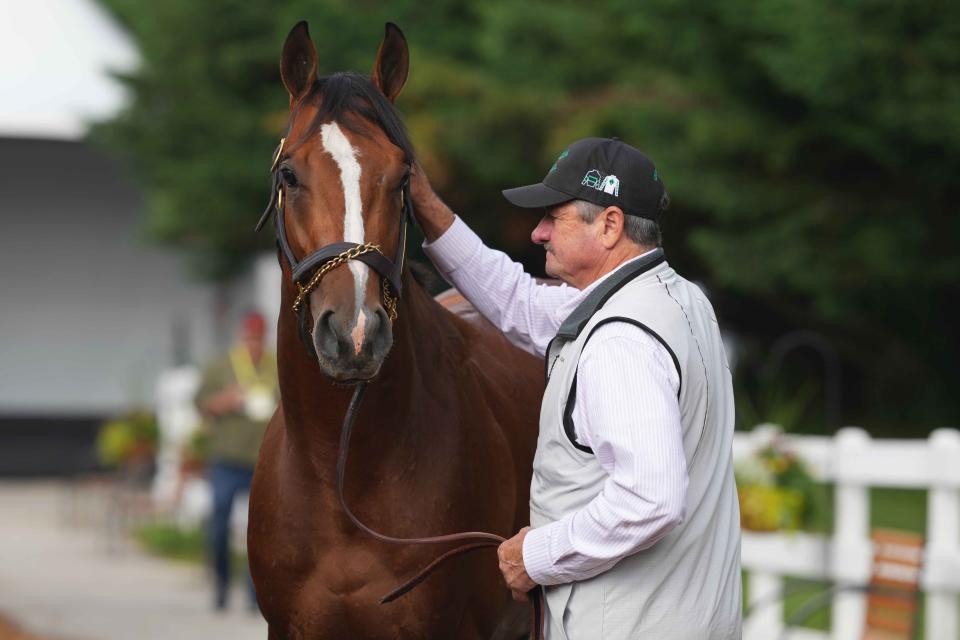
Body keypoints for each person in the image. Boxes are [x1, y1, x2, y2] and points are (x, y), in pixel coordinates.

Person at [411, 138, 741, 638]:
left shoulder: (620, 339)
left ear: (609, 225)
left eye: (554, 217)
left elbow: (650, 499)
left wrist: (536, 556)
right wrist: (427, 206)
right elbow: (516, 301)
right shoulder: (678, 301)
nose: (538, 233)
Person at [195, 311, 277, 611]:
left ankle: (254, 593)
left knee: (259, 532)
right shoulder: (221, 366)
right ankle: (220, 581)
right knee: (219, 525)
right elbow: (200, 403)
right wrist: (224, 401)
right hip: (226, 460)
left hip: (263, 461)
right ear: (241, 338)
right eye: (250, 338)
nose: (254, 345)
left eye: (259, 339)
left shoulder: (276, 365)